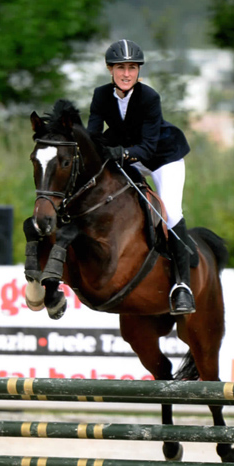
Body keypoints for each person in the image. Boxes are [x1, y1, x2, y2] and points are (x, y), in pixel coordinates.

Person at [87, 39, 195, 315]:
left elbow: (147, 147)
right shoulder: (101, 95)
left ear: (138, 71)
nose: (126, 74)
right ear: (110, 69)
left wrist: (115, 153)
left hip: (162, 158)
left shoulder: (149, 98)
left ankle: (183, 285)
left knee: (169, 211)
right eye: (121, 67)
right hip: (128, 156)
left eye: (132, 68)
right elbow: (93, 136)